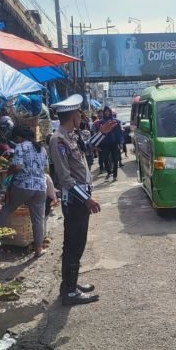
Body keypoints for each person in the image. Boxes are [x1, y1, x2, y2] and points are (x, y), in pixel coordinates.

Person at [50, 95, 117, 306]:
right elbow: (65, 178)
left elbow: (86, 148)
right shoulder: (58, 139)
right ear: (72, 116)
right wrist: (87, 199)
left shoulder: (71, 135)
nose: (82, 116)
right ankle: (69, 292)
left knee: (77, 243)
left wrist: (102, 134)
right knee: (73, 244)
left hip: (80, 199)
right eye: (79, 113)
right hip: (75, 201)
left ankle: (70, 284)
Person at [0, 126, 49, 258]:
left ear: (19, 137)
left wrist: (11, 169)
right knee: (38, 219)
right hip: (40, 186)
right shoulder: (42, 149)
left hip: (23, 185)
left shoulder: (20, 147)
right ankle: (38, 249)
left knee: (7, 208)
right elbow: (46, 167)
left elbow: (18, 166)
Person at [96, 106, 124, 180]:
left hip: (114, 143)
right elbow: (99, 134)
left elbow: (119, 133)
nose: (107, 112)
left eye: (108, 111)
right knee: (105, 159)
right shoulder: (101, 122)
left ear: (110, 112)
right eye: (105, 111)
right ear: (104, 112)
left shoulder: (116, 121)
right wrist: (98, 145)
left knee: (115, 160)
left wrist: (121, 143)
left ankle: (115, 176)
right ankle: (109, 172)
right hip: (105, 144)